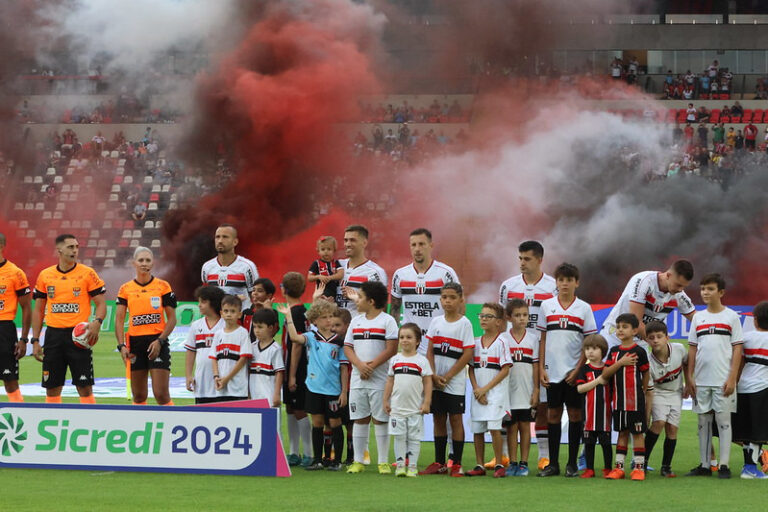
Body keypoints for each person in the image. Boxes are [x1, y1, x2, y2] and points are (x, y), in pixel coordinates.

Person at [498, 240, 556, 470]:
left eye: (527, 259)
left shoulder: (552, 287)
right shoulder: (508, 286)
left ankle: (543, 456)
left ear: (540, 260)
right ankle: (503, 455)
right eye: (520, 258)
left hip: (540, 354)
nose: (522, 263)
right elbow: (502, 321)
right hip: (511, 356)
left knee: (541, 405)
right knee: (506, 406)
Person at [538, 263, 597, 477]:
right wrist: (541, 368)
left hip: (573, 372)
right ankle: (553, 464)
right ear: (556, 282)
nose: (564, 284)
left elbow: (588, 341)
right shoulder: (546, 306)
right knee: (552, 415)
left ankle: (572, 464)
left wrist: (579, 369)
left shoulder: (584, 308)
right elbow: (542, 339)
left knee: (575, 415)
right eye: (561, 280)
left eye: (569, 280)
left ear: (576, 283)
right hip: (551, 371)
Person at [31, 234, 106, 404]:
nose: (75, 250)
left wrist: (97, 322)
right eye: (70, 247)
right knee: (52, 387)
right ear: (59, 250)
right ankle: (54, 421)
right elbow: (38, 310)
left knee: (85, 387)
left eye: (77, 247)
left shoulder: (87, 273)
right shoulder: (45, 275)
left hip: (79, 336)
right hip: (53, 337)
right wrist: (35, 340)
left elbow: (101, 304)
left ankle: (89, 424)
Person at [280, 300, 349, 471]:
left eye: (330, 316)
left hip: (333, 389)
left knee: (334, 422)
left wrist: (344, 392)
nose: (328, 320)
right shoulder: (311, 337)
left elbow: (343, 368)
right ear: (314, 321)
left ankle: (336, 461)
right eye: (324, 317)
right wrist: (289, 317)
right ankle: (317, 459)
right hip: (314, 387)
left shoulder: (339, 341)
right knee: (317, 422)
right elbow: (295, 338)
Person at [685, 273, 743, 479]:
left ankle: (724, 465)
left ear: (721, 292)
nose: (705, 292)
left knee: (724, 420)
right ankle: (704, 464)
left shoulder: (732, 317)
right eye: (702, 289)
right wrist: (689, 377)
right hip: (701, 380)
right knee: (703, 422)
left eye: (709, 289)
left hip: (723, 379)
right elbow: (692, 348)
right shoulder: (698, 318)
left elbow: (738, 349)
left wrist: (732, 377)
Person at [343, 281, 398, 474]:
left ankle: (383, 462)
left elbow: (392, 348)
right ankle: (358, 460)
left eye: (360, 297)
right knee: (360, 418)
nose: (357, 300)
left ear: (371, 301)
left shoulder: (387, 321)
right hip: (358, 379)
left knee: (381, 419)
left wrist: (371, 366)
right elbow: (347, 346)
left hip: (380, 379)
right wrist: (359, 365)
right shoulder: (356, 321)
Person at [421, 282, 475, 477]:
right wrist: (433, 375)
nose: (448, 301)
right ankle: (439, 462)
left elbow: (468, 353)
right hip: (436, 381)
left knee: (455, 419)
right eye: (444, 297)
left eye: (452, 297)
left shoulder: (465, 324)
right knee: (438, 418)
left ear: (461, 299)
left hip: (454, 382)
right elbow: (429, 351)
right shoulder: (435, 322)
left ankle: (456, 464)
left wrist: (449, 375)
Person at [115, 247, 177, 405]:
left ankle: (171, 425)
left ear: (153, 263)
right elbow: (119, 320)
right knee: (139, 396)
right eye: (141, 260)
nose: (144, 263)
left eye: (148, 260)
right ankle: (140, 427)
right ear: (133, 263)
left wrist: (160, 341)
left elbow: (172, 320)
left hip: (157, 342)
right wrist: (121, 346)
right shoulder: (125, 289)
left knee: (161, 394)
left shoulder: (163, 286)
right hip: (135, 344)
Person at [390, 228, 460, 352]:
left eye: (421, 244)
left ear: (431, 245)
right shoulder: (400, 275)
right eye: (413, 245)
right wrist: (394, 341)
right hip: (410, 346)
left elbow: (459, 306)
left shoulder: (445, 273)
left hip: (439, 342)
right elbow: (394, 309)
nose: (417, 249)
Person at [600, 260, 695, 349]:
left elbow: (698, 320)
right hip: (615, 337)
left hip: (641, 342)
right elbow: (635, 322)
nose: (680, 289)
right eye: (678, 285)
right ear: (668, 275)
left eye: (684, 286)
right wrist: (662, 345)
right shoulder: (643, 281)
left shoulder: (679, 295)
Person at [601, 314, 651, 481]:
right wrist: (620, 363)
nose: (620, 330)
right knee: (622, 433)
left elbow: (646, 373)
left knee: (637, 434)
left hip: (636, 402)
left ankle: (638, 468)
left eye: (625, 326)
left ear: (635, 330)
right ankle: (619, 468)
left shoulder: (639, 351)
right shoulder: (614, 352)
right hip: (619, 402)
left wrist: (643, 391)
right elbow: (605, 374)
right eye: (618, 326)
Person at [465, 303, 511, 478]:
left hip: (495, 393)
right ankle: (479, 465)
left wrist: (485, 389)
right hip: (478, 394)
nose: (483, 319)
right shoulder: (475, 342)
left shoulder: (502, 342)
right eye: (482, 316)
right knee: (477, 428)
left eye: (488, 316)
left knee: (494, 427)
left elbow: (505, 369)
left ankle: (499, 463)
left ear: (499, 321)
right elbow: (470, 368)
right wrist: (477, 389)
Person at [383, 323, 433, 477]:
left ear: (418, 341)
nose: (404, 340)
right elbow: (390, 381)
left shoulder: (422, 361)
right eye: (402, 337)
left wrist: (426, 402)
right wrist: (386, 400)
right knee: (398, 437)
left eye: (409, 337)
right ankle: (400, 466)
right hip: (397, 408)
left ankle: (412, 466)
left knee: (413, 437)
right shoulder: (395, 360)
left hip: (415, 408)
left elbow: (427, 382)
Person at [501, 299, 539, 476]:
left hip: (526, 389)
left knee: (525, 426)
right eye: (517, 315)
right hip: (508, 391)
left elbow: (536, 366)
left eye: (525, 315)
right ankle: (512, 462)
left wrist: (536, 390)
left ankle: (524, 463)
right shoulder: (503, 339)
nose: (522, 319)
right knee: (511, 427)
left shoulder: (533, 339)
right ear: (509, 317)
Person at [644, 320, 687, 477]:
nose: (655, 340)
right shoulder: (648, 361)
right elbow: (648, 389)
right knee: (659, 423)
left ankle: (666, 467)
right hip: (658, 392)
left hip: (676, 392)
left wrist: (689, 383)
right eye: (651, 337)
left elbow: (688, 364)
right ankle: (642, 462)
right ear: (646, 340)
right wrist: (646, 415)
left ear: (667, 337)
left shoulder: (679, 349)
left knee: (672, 429)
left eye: (659, 336)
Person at [733, 301, 768, 479]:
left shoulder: (746, 338)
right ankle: (750, 468)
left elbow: (738, 364)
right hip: (762, 388)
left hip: (742, 387)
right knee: (758, 433)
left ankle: (749, 466)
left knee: (745, 431)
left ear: (755, 320)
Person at [281, 272, 312, 467]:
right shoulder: (297, 310)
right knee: (290, 409)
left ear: (284, 289)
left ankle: (307, 452)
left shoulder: (296, 313)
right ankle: (293, 451)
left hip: (297, 367)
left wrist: (291, 375)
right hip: (290, 365)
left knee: (299, 409)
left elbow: (297, 344)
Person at [575, 334, 613, 479]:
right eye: (588, 348)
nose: (590, 352)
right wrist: (598, 381)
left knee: (606, 443)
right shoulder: (584, 370)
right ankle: (589, 469)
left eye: (595, 348)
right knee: (589, 443)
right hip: (588, 415)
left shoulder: (608, 369)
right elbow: (580, 389)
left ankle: (608, 468)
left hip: (605, 415)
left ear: (603, 350)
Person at [0, 233, 31, 402]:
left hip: (4, 330)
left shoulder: (15, 273)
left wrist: (24, 339)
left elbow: (26, 307)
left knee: (10, 379)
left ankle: (20, 412)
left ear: (1, 247)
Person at [201, 224, 259, 309]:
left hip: (240, 318)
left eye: (225, 237)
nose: (220, 241)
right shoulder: (207, 267)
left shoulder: (247, 267)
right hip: (217, 318)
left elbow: (255, 297)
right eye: (217, 237)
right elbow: (205, 295)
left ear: (235, 242)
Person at [184, 286, 225, 403]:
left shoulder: (226, 325)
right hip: (201, 382)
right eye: (199, 301)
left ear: (214, 303)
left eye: (203, 302)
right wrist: (188, 376)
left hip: (221, 381)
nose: (199, 305)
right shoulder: (196, 326)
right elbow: (191, 351)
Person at [337, 225, 387, 316]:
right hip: (333, 327)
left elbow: (381, 310)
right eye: (345, 240)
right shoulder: (336, 266)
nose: (347, 244)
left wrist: (358, 298)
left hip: (360, 328)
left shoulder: (375, 272)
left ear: (364, 243)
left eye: (352, 240)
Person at [210, 295, 251, 401]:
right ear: (221, 313)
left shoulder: (243, 333)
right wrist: (216, 377)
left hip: (237, 388)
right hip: (221, 387)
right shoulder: (218, 334)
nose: (229, 314)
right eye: (226, 311)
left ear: (239, 314)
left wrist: (227, 379)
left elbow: (243, 359)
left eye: (233, 311)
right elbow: (214, 358)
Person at [248, 307, 284, 408]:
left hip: (269, 398)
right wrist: (248, 393)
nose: (257, 331)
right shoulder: (252, 347)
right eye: (254, 327)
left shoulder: (275, 349)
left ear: (271, 328)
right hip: (254, 398)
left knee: (270, 423)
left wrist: (277, 394)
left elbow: (279, 373)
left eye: (260, 327)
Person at [332, 307, 355, 464]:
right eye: (332, 325)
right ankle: (335, 454)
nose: (334, 329)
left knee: (350, 423)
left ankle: (352, 455)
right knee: (336, 420)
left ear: (347, 325)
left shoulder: (351, 342)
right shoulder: (332, 341)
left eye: (337, 325)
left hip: (351, 387)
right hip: (335, 388)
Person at [307, 236, 344, 301]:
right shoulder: (316, 263)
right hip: (320, 294)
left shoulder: (336, 262)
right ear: (318, 251)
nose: (326, 252)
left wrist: (330, 278)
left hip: (333, 294)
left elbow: (341, 274)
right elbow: (309, 277)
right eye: (323, 249)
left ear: (334, 250)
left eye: (329, 249)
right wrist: (318, 276)